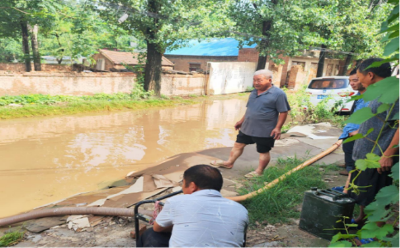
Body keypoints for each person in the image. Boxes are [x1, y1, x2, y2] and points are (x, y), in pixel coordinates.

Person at [137, 164, 248, 248]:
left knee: (151, 233)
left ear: (192, 186)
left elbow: (158, 227)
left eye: (183, 184)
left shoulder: (177, 201)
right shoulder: (241, 209)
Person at [211, 69, 290, 178]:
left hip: (265, 130)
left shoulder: (278, 94)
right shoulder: (253, 92)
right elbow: (250, 109)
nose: (256, 83)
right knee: (238, 145)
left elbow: (283, 111)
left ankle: (259, 172)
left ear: (269, 80)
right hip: (247, 127)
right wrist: (241, 121)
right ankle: (229, 163)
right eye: (254, 80)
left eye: (259, 80)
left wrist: (278, 128)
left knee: (263, 151)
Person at [349, 58, 400, 227]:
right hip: (366, 154)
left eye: (359, 76)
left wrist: (387, 154)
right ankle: (362, 220)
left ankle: (377, 237)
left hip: (378, 156)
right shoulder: (379, 92)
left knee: (376, 199)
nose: (359, 81)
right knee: (365, 193)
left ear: (370, 75)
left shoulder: (393, 94)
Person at [337, 68, 368, 177]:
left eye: (355, 80)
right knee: (347, 147)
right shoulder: (359, 96)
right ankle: (348, 165)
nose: (352, 83)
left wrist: (359, 130)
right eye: (350, 81)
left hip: (358, 130)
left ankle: (351, 170)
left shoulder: (370, 97)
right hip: (352, 128)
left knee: (352, 149)